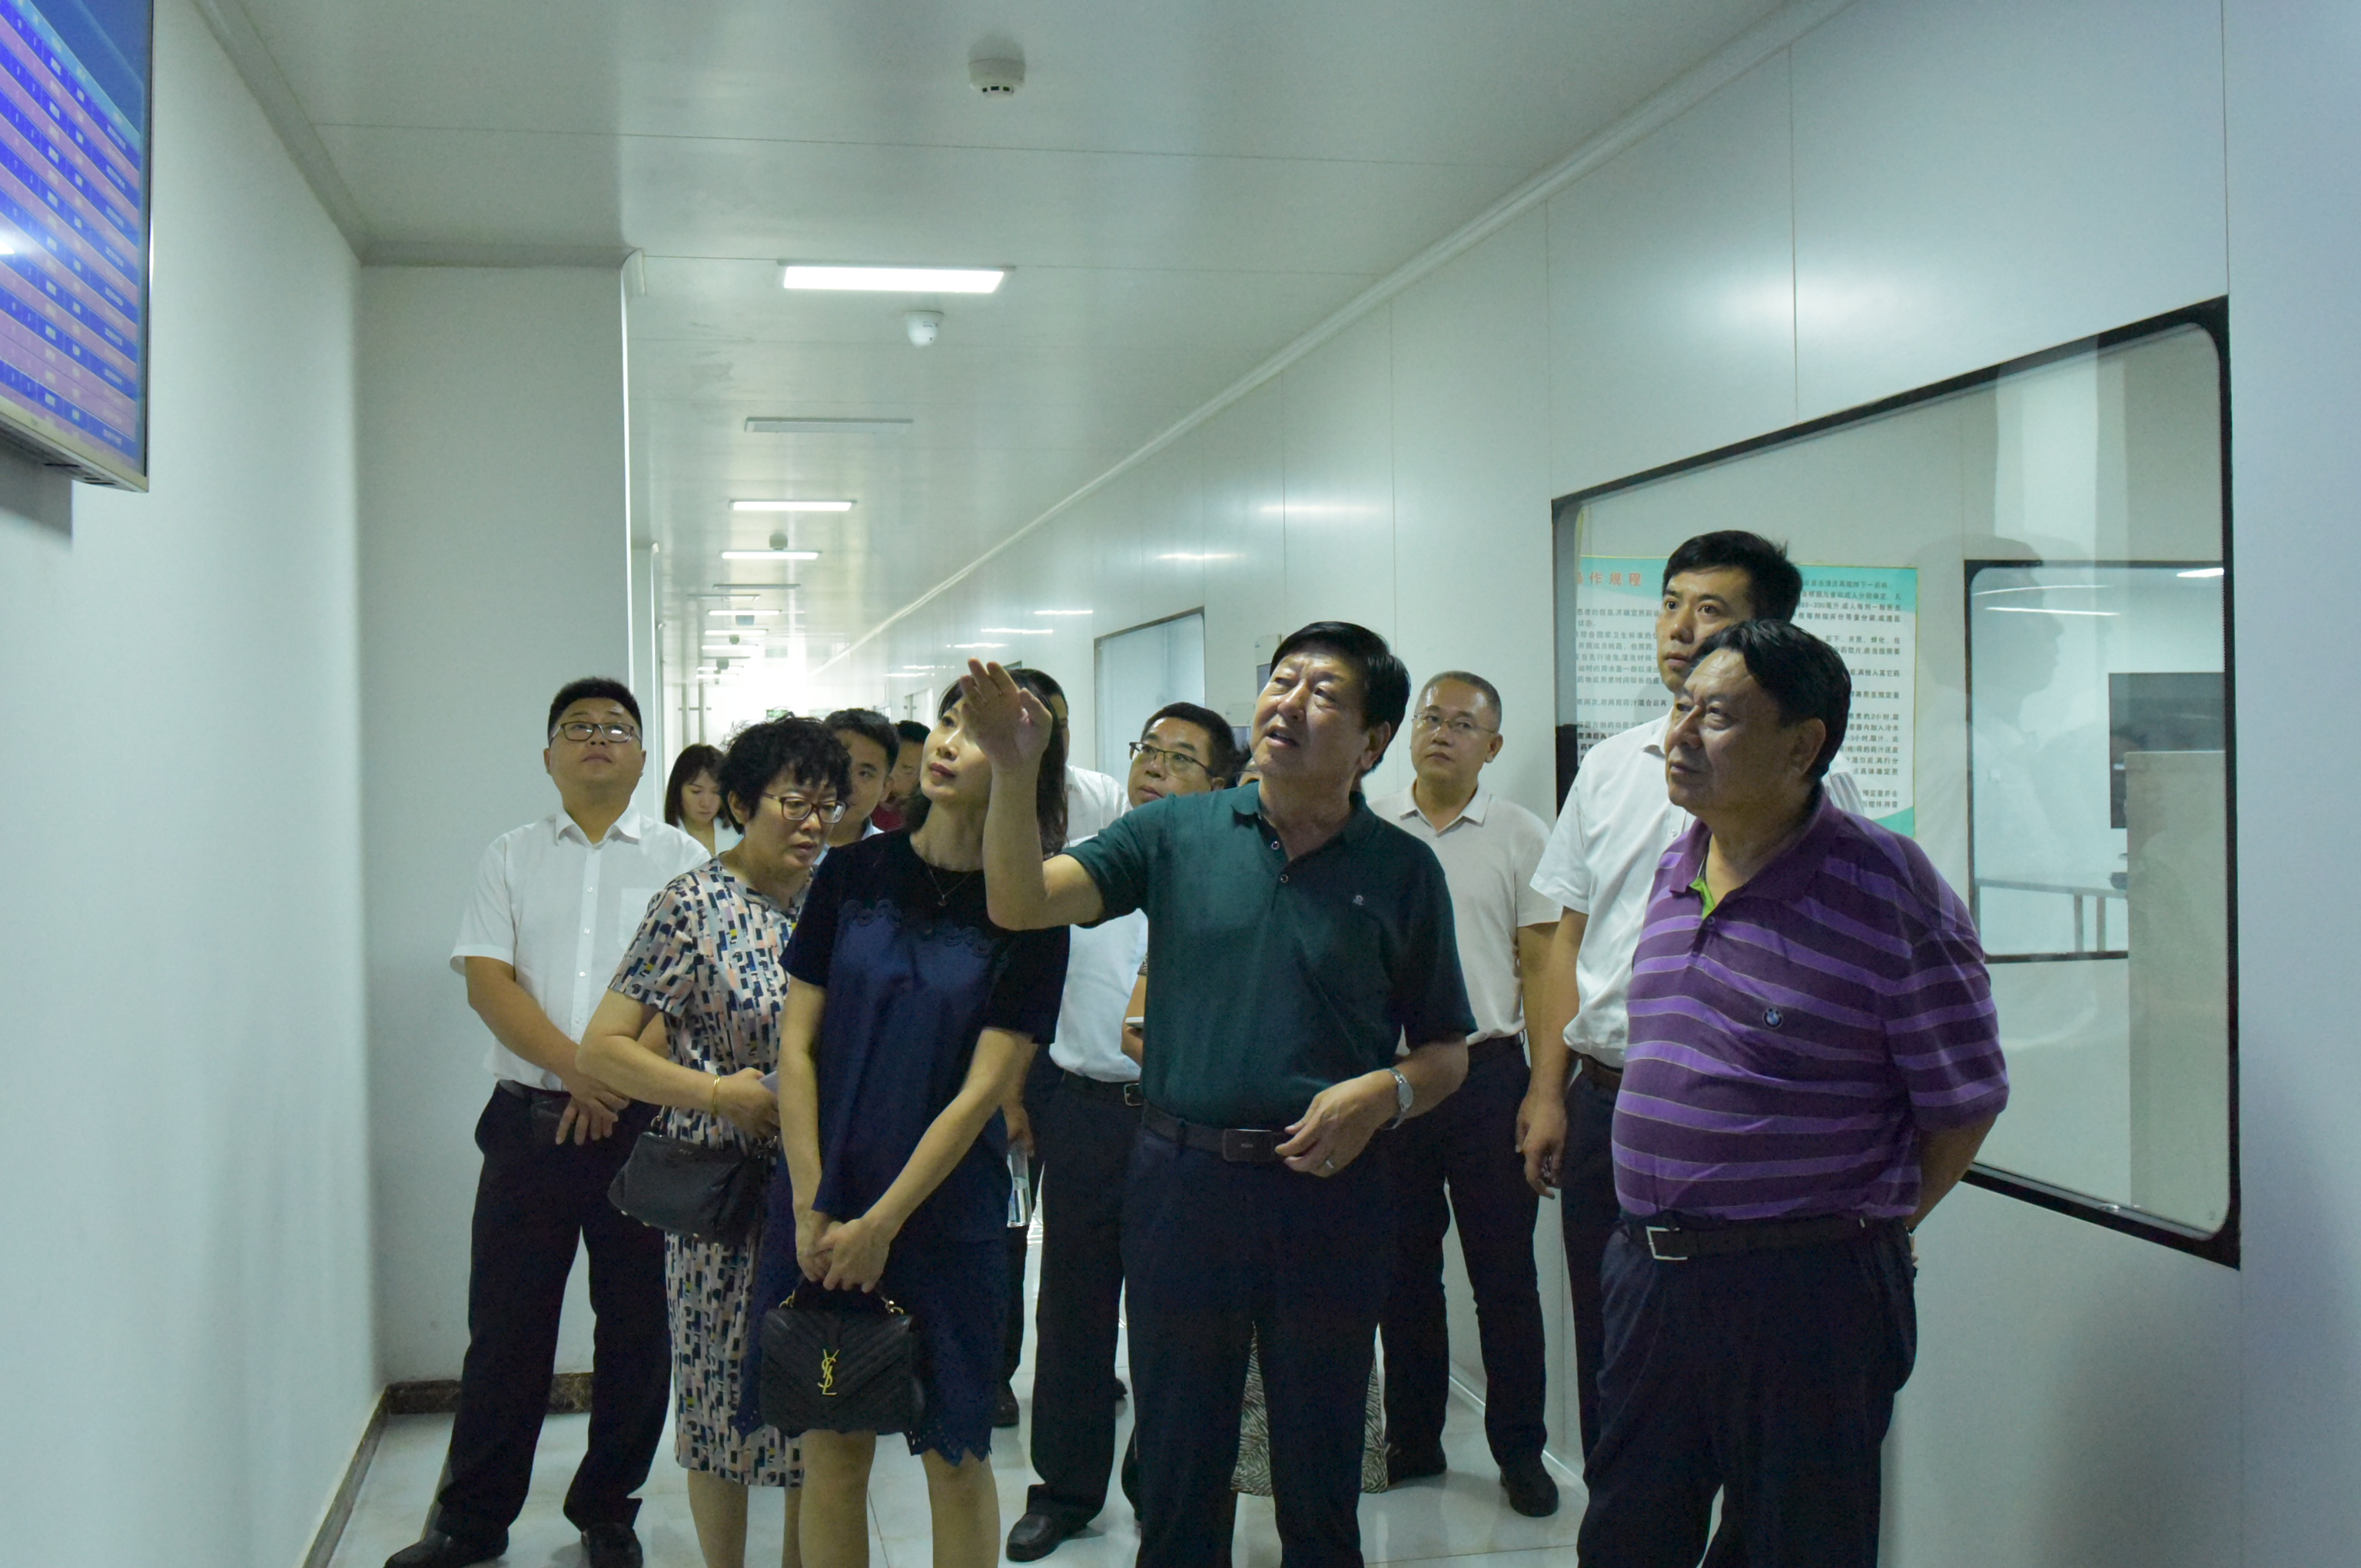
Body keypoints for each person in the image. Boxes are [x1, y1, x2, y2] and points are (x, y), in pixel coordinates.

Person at [961, 620, 1476, 1568]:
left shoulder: (1403, 871)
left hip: (1331, 1193)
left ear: (1372, 742)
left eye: (1325, 693)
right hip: (1183, 1188)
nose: (1290, 702)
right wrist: (1012, 768)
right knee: (1179, 1462)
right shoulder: (1175, 833)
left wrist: (1386, 1091)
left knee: (1319, 1465)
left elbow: (1448, 1051)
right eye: (1282, 681)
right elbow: (1020, 901)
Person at [1573, 619, 2006, 1567]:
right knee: (1626, 1535)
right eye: (1681, 707)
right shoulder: (1680, 863)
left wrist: (1867, 1228)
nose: (1679, 735)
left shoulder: (1886, 887)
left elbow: (1965, 1102)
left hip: (1805, 1295)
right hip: (1651, 1275)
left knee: (1797, 1545)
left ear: (1803, 745)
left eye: (1717, 717)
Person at [1520, 531, 1866, 1460]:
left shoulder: (1818, 784)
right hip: (1607, 1100)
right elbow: (1567, 939)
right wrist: (1548, 1091)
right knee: (1613, 1350)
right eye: (1670, 603)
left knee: (1752, 1379)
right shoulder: (1611, 765)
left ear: (1767, 635)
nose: (1679, 628)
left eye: (1711, 610)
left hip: (1750, 1118)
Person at [748, 673, 1074, 1568]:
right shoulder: (854, 873)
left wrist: (881, 1224)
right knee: (832, 1451)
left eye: (981, 733)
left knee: (955, 1455)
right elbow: (797, 1045)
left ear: (1025, 764)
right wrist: (812, 1205)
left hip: (944, 1211)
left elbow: (983, 1092)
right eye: (947, 721)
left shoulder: (1032, 911)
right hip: (824, 1195)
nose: (948, 743)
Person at [389, 679, 708, 1568]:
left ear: (642, 757)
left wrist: (613, 1080)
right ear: (549, 755)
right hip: (529, 1125)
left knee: (637, 1331)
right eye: (578, 726)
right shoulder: (510, 856)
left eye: (617, 727)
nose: (597, 737)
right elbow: (488, 982)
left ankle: (608, 1510)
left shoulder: (683, 860)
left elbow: (687, 994)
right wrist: (579, 1070)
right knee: (506, 1328)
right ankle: (471, 1520)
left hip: (645, 1132)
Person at [579, 719, 852, 1568]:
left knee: (817, 1402)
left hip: (822, 1193)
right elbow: (603, 1049)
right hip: (722, 1199)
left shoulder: (841, 904)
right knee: (714, 1403)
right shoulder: (691, 905)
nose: (813, 823)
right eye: (794, 802)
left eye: (828, 805)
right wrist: (716, 1094)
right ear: (740, 802)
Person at [1006, 702, 1243, 1562]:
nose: (1154, 767)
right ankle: (1065, 1491)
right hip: (1085, 1111)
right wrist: (1018, 1093)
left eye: (1181, 758)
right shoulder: (1085, 866)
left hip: (1186, 1124)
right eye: (1149, 749)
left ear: (1220, 786)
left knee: (1173, 1322)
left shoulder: (1229, 875)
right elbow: (1028, 986)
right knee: (1072, 1310)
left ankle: (1161, 1487)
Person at [1368, 672, 1560, 1516]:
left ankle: (1520, 1452)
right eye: (1430, 718)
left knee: (1504, 1277)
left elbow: (1545, 972)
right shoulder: (1369, 826)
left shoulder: (1521, 835)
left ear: (1494, 746)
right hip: (1396, 1080)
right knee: (1403, 1272)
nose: (1441, 733)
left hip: (1488, 1077)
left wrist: (1546, 1090)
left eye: (1462, 724)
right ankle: (1413, 1439)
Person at [820, 709, 899, 852]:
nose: (848, 785)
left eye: (865, 774)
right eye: (839, 766)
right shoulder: (783, 846)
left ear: (885, 788)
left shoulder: (891, 856)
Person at [665, 742, 736, 858]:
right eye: (696, 792)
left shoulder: (739, 834)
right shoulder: (662, 838)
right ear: (677, 790)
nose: (706, 803)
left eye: (716, 792)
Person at [871, 719, 930, 832]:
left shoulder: (932, 811)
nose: (918, 779)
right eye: (908, 769)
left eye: (926, 770)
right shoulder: (863, 807)